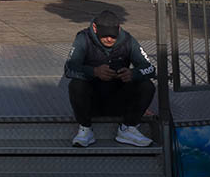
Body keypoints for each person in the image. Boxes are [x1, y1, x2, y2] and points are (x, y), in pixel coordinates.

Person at [64, 10, 155, 147]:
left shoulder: (128, 40)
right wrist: (94, 72)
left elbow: (150, 68)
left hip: (119, 100)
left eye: (113, 35)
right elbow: (69, 68)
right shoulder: (83, 38)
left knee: (147, 85)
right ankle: (85, 129)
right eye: (104, 35)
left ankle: (128, 128)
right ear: (95, 28)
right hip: (92, 102)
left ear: (118, 29)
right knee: (75, 85)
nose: (109, 39)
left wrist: (133, 73)